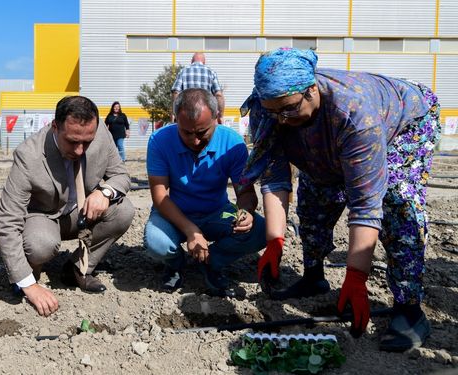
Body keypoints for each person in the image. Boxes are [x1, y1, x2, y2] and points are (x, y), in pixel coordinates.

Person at [240, 47, 440, 352]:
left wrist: (356, 277)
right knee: (315, 194)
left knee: (397, 206)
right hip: (330, 129)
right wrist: (275, 241)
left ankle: (409, 310)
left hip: (405, 126)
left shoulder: (356, 116)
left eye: (289, 108)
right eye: (274, 111)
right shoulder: (269, 109)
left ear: (311, 90)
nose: (282, 118)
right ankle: (313, 276)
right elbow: (276, 177)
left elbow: (365, 204)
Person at [0, 95, 135, 317]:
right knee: (41, 244)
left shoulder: (101, 134)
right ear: (55, 127)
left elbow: (121, 175)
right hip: (44, 217)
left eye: (86, 142)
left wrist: (105, 193)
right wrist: (28, 285)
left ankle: (78, 269)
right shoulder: (28, 155)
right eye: (72, 141)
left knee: (124, 210)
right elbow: (7, 221)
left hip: (80, 212)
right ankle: (31, 272)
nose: (80, 150)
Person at [144, 88, 266, 297]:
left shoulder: (233, 143)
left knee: (262, 230)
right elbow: (160, 197)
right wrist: (192, 231)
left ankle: (212, 262)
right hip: (174, 213)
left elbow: (245, 193)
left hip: (217, 212)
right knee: (157, 243)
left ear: (217, 118)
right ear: (176, 120)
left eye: (202, 132)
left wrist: (245, 211)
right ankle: (175, 263)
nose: (195, 140)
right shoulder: (159, 141)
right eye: (186, 132)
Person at [171, 52, 225, 124]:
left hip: (186, 114)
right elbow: (218, 95)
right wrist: (220, 115)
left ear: (192, 61)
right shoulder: (211, 72)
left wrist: (175, 113)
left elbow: (176, 92)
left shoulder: (183, 71)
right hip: (206, 114)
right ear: (204, 62)